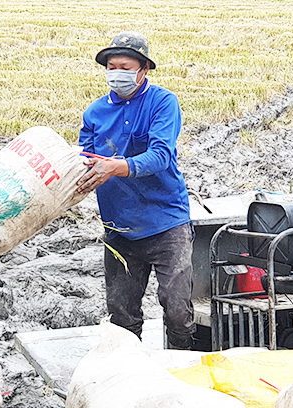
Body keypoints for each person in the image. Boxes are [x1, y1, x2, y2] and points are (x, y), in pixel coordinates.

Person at [77, 31, 194, 350]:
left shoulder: (162, 103)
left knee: (177, 308)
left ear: (143, 70)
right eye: (111, 67)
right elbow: (83, 157)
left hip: (166, 222)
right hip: (120, 228)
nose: (117, 73)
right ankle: (130, 370)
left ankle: (180, 360)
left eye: (125, 67)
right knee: (122, 313)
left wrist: (114, 166)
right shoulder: (95, 112)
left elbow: (160, 155)